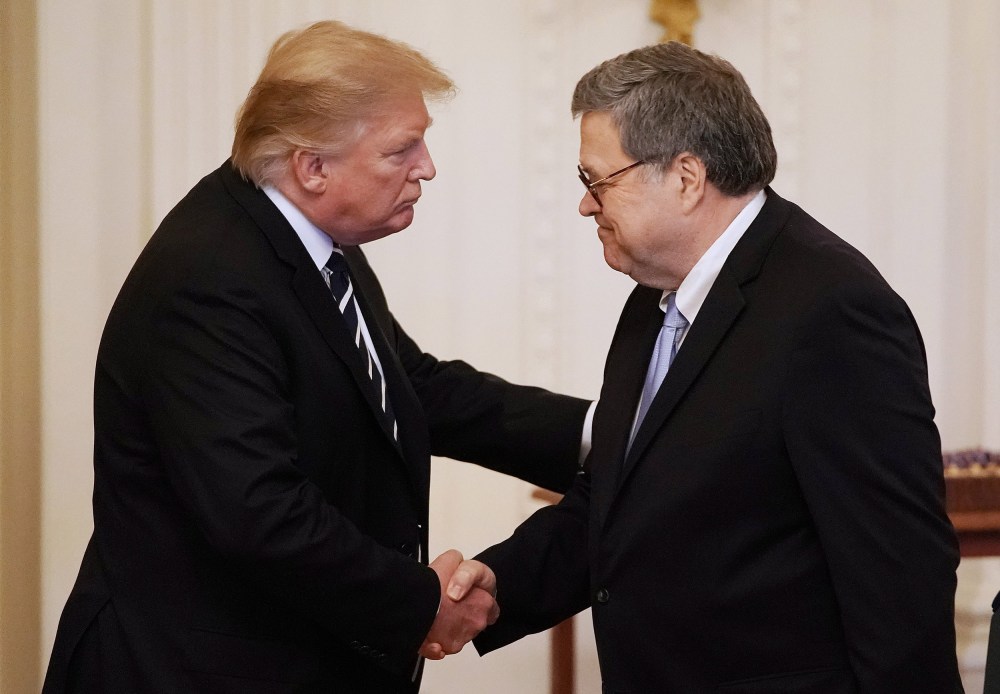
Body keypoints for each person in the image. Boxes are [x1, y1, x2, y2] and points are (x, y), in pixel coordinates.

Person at [42, 20, 591, 694]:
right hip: (193, 669)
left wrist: (607, 433)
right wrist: (423, 602)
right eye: (402, 149)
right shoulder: (209, 277)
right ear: (313, 166)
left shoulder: (311, 243)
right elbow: (259, 514)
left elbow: (409, 386)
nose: (427, 166)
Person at [460, 41, 964, 692]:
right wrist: (498, 584)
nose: (586, 205)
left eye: (596, 181)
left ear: (687, 177)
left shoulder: (832, 311)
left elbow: (898, 571)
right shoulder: (653, 298)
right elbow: (615, 500)